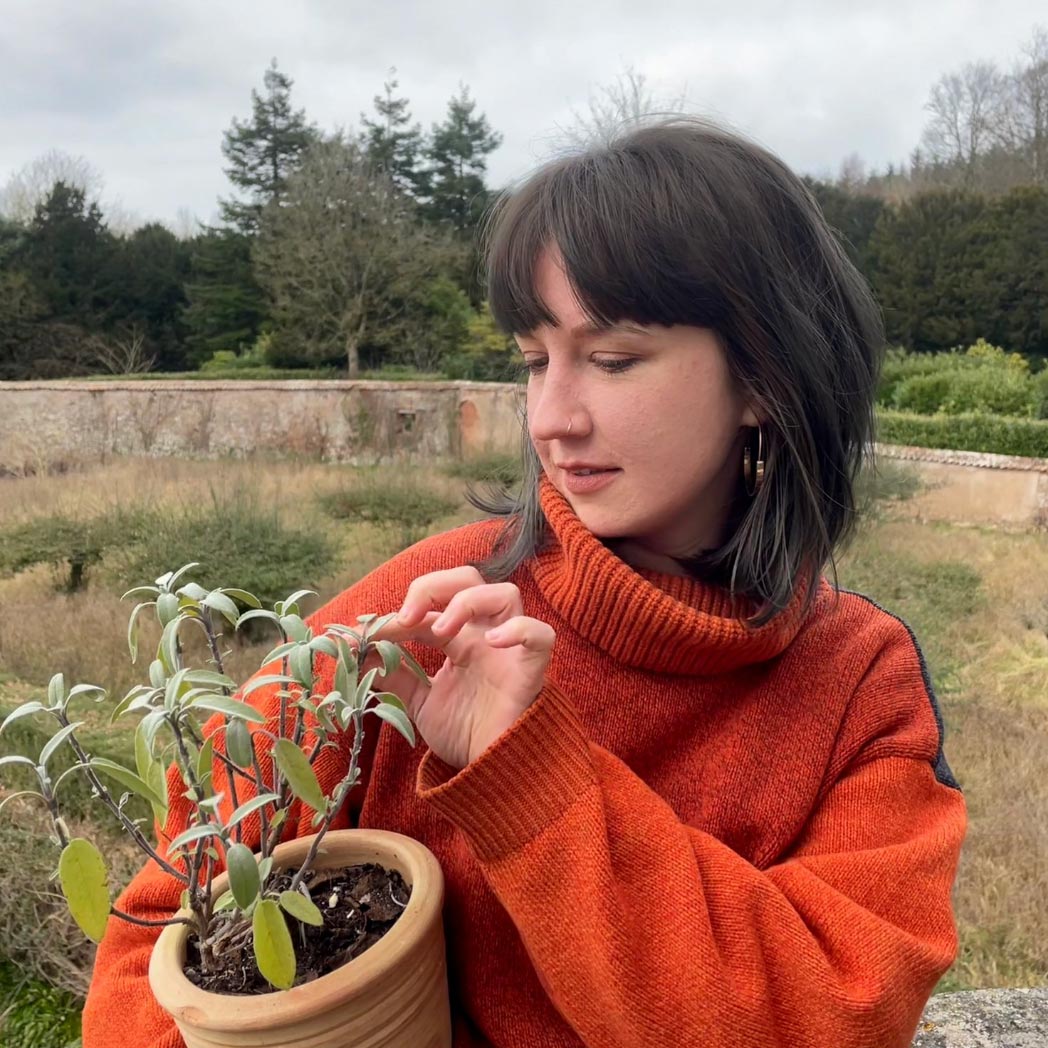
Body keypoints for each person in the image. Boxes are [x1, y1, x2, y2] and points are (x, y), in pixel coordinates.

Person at [82, 117, 966, 1048]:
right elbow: (153, 949)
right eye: (535, 361)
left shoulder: (862, 683)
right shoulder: (420, 613)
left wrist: (531, 776)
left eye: (613, 360)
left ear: (765, 375)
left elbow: (829, 1017)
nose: (552, 418)